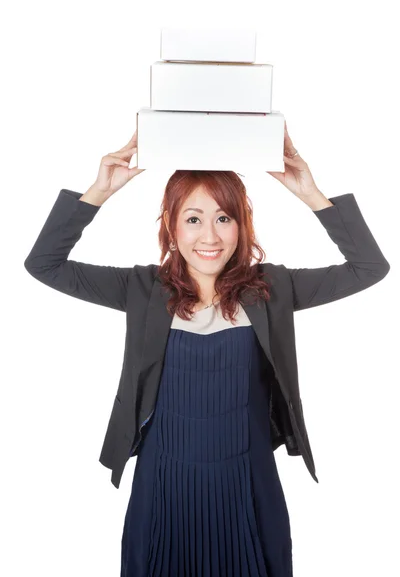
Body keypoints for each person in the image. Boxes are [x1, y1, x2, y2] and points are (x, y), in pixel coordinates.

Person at [24, 122, 390, 577]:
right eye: (193, 218)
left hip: (248, 484)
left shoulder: (271, 289)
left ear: (241, 224)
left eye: (224, 217)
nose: (210, 236)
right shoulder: (143, 288)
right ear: (172, 227)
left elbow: (368, 268)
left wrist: (311, 193)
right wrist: (98, 192)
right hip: (164, 484)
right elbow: (43, 264)